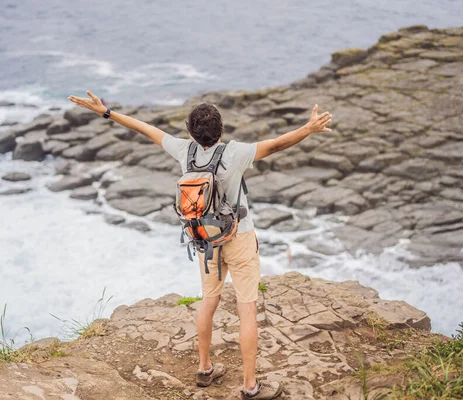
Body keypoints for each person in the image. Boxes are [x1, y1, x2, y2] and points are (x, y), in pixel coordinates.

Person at [68, 91, 332, 399]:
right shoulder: (236, 153)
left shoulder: (184, 152)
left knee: (209, 300)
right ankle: (249, 387)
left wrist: (106, 112)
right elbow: (278, 144)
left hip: (205, 240)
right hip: (239, 237)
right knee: (246, 309)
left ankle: (205, 368)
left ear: (192, 132)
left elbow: (145, 128)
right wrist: (308, 129)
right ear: (221, 129)